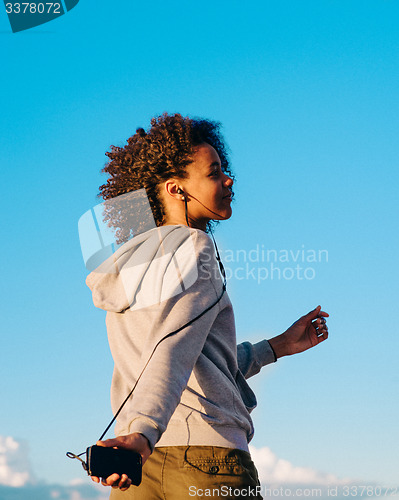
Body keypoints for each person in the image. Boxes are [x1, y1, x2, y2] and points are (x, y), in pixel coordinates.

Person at [85, 113, 329, 499]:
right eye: (214, 173)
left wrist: (276, 347)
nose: (228, 180)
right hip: (205, 460)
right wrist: (145, 434)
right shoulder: (194, 248)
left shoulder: (129, 265)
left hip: (140, 469)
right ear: (176, 189)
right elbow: (175, 350)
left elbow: (193, 357)